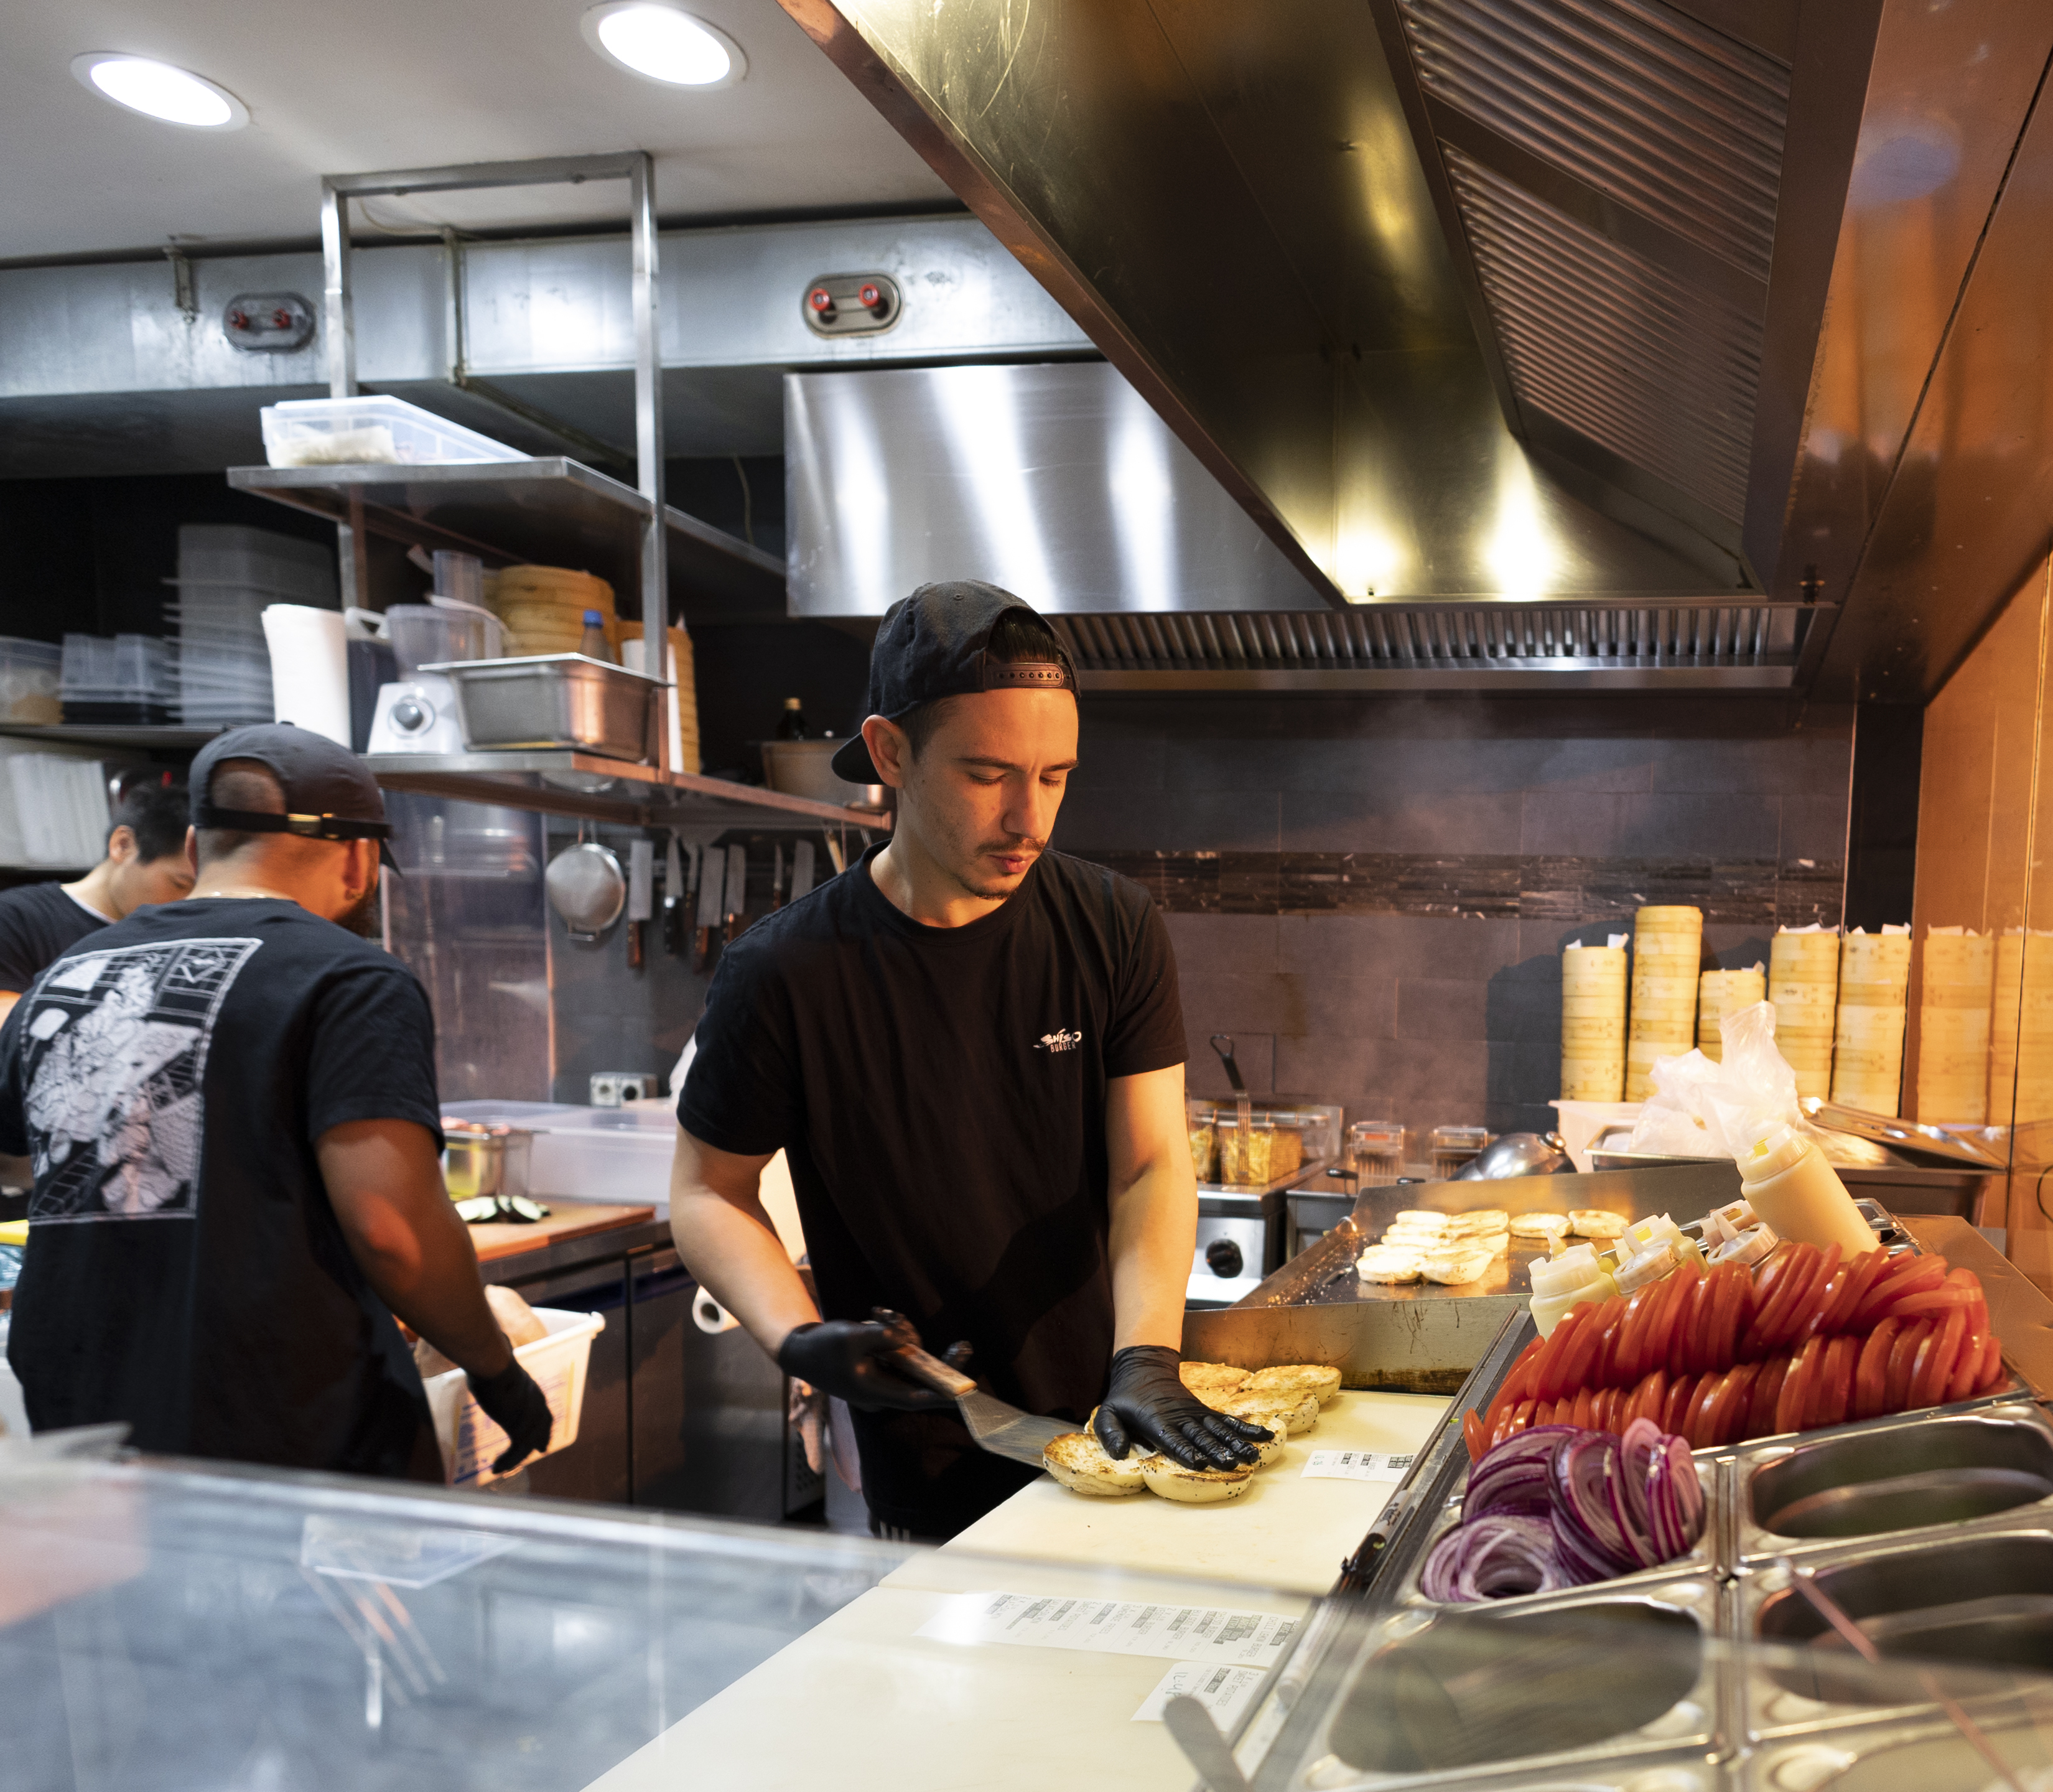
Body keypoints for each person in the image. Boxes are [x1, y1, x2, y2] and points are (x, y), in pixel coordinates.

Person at [672, 582, 1265, 1540]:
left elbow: (1152, 1165)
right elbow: (707, 1193)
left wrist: (1147, 1359)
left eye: (1056, 776)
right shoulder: (786, 971)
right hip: (925, 1455)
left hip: (1115, 1429)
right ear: (890, 753)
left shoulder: (1114, 928)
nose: (1030, 818)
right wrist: (797, 1336)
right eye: (989, 775)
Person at [0, 724, 551, 1480]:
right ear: (359, 860)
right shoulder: (351, 979)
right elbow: (394, 1230)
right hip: (285, 1429)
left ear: (195, 850)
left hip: (80, 1408)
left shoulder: (66, 976)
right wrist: (496, 1368)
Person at [0, 780, 196, 1024]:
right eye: (180, 884)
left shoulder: (181, 935)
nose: (187, 902)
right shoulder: (15, 917)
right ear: (123, 845)